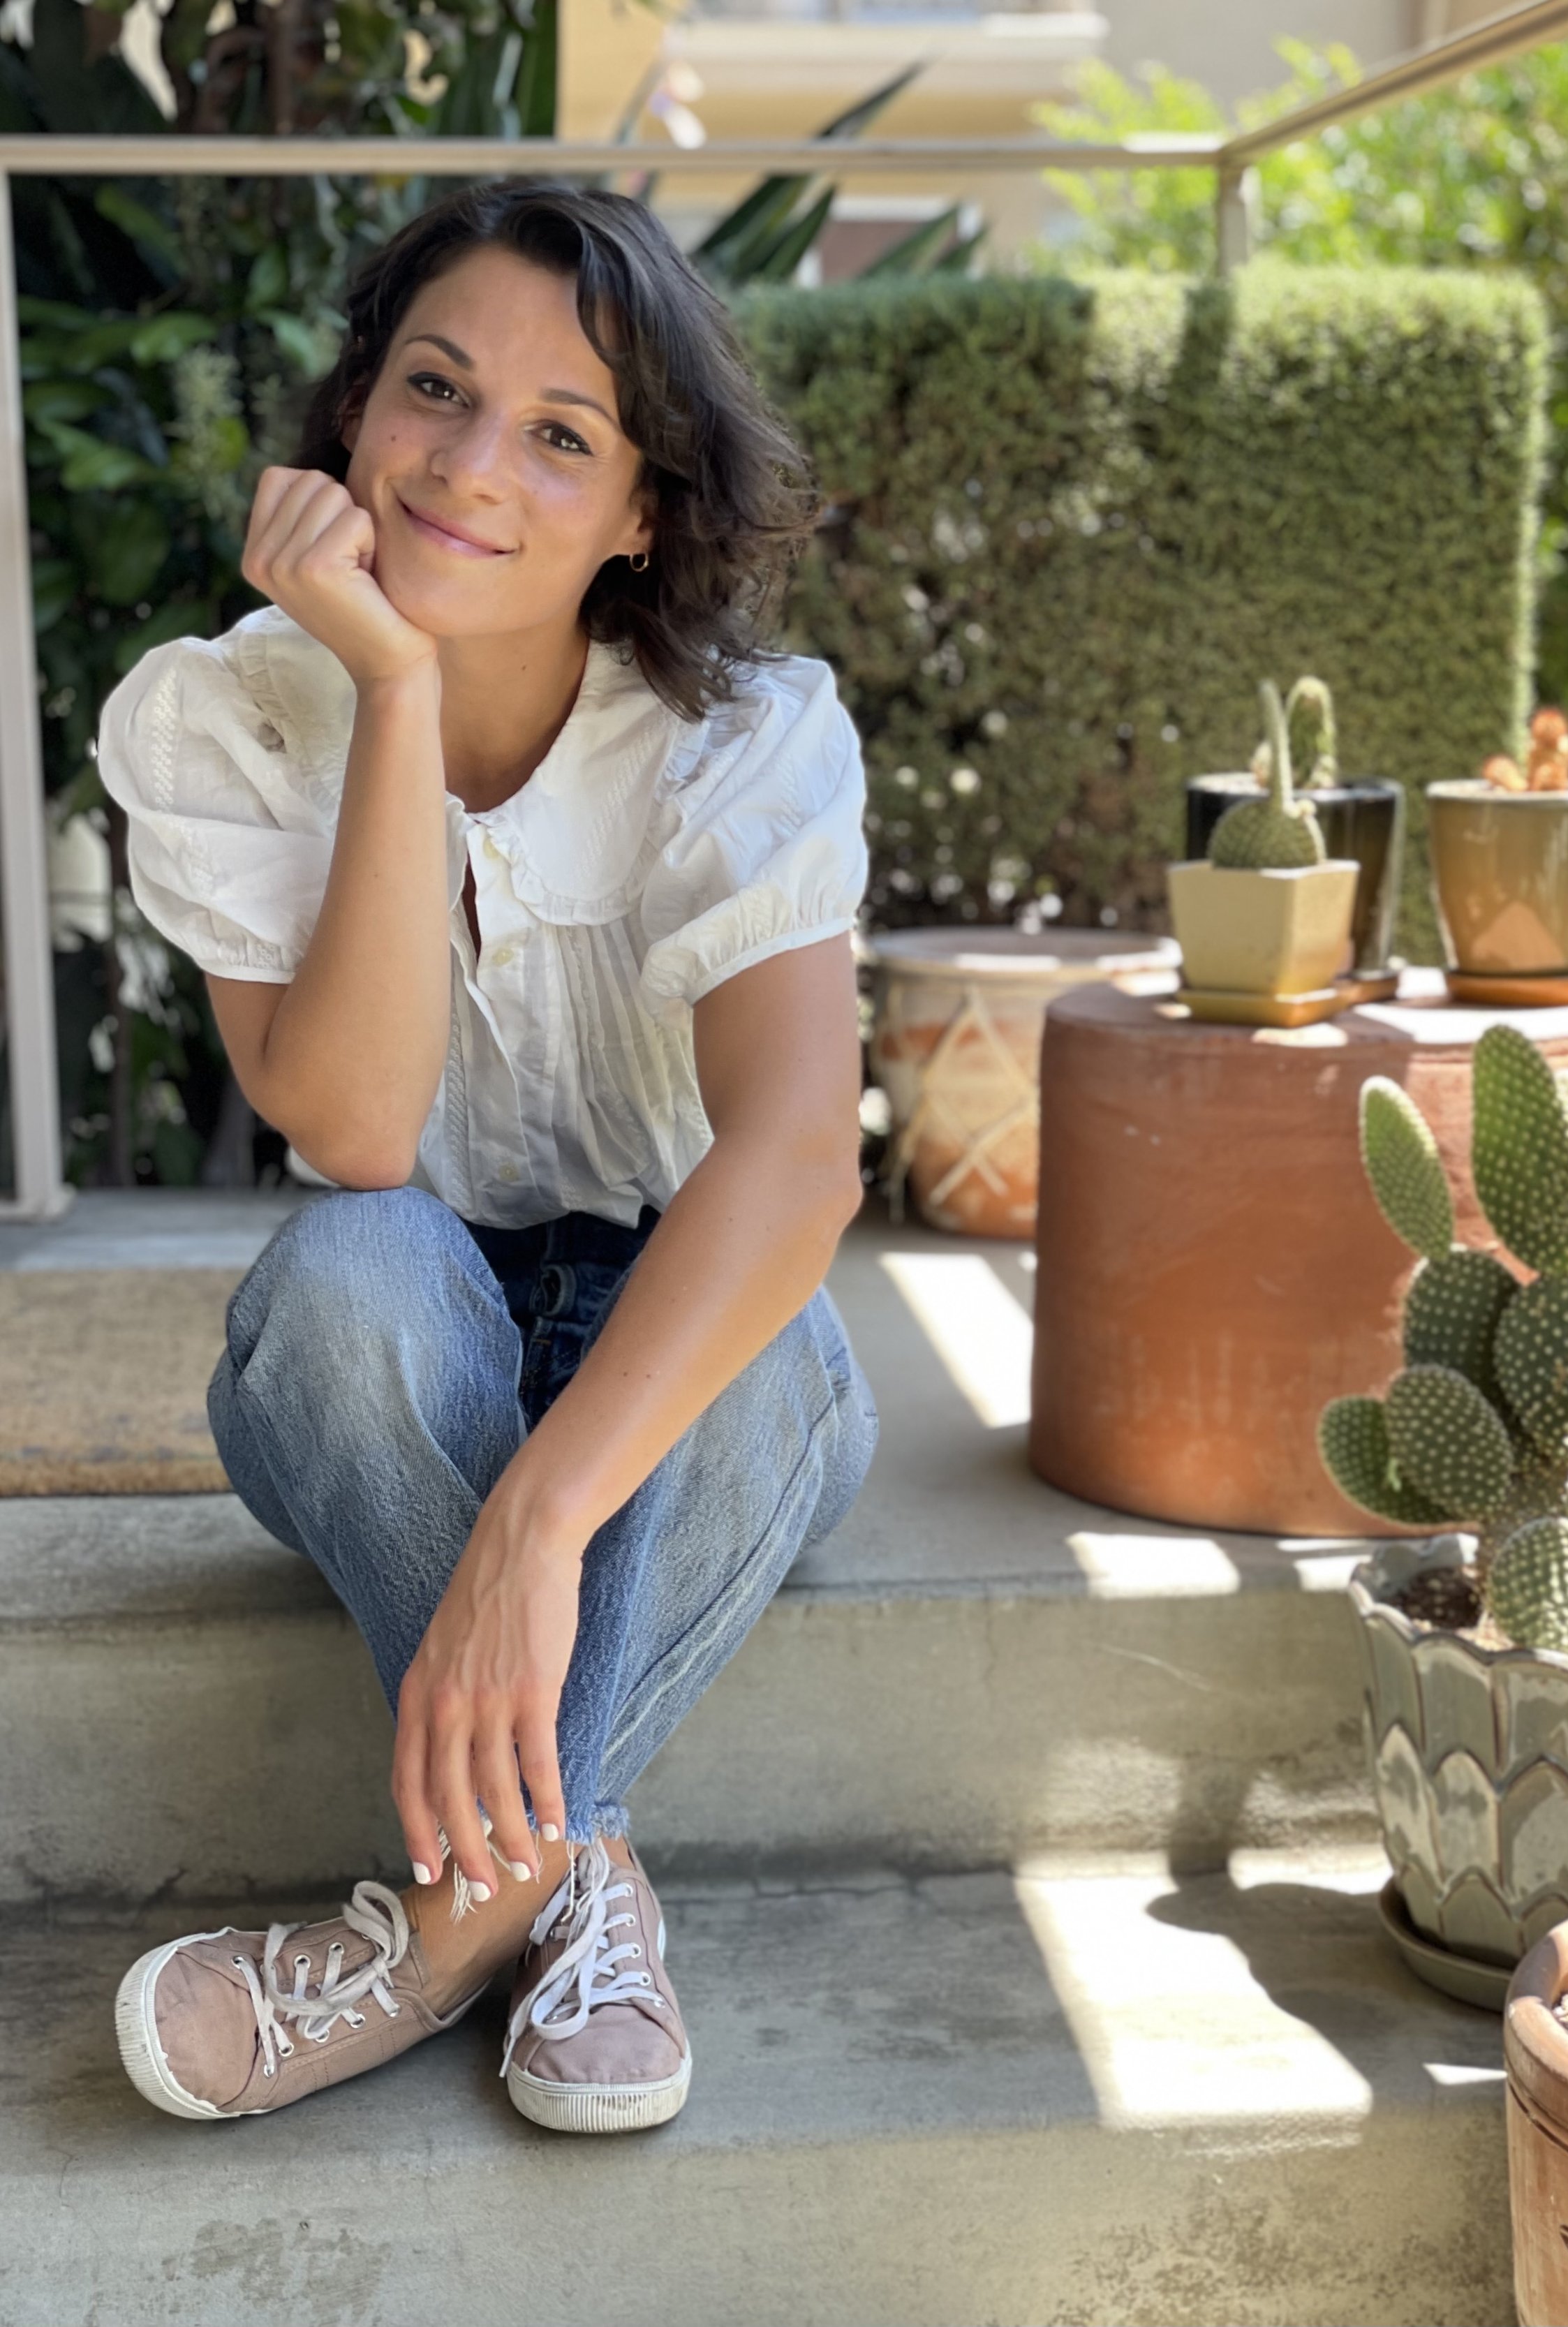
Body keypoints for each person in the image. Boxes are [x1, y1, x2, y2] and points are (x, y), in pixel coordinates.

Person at [96, 181, 878, 2134]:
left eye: (559, 434)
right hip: (383, 1370)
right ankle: (574, 1879)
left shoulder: (743, 737)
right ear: (352, 417)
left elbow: (789, 1164)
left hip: (689, 1383)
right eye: (430, 391)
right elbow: (355, 1130)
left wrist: (535, 1533)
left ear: (640, 511)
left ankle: (449, 1926)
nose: (466, 466)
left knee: (766, 1347)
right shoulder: (223, 720)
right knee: (346, 1271)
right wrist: (392, 687)